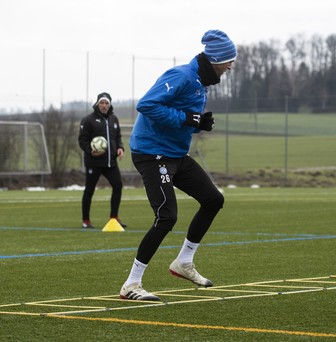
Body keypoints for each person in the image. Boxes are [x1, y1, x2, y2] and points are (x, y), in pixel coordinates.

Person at [119, 29, 235, 301]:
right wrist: (188, 119)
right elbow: (147, 105)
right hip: (152, 153)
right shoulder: (182, 75)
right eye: (229, 60)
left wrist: (198, 124)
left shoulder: (201, 82)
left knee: (213, 199)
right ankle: (131, 284)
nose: (231, 66)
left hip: (175, 154)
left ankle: (183, 262)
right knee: (167, 216)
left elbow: (184, 119)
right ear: (216, 59)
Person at [78, 92, 126, 229]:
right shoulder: (88, 120)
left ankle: (114, 217)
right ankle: (86, 220)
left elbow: (118, 137)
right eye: (102, 103)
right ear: (97, 104)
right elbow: (82, 140)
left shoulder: (114, 119)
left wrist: (120, 148)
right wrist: (90, 151)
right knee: (89, 190)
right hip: (94, 163)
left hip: (111, 162)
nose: (104, 106)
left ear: (109, 105)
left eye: (106, 103)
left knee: (118, 185)